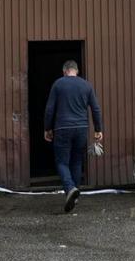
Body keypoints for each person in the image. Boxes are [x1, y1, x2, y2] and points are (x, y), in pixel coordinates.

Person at [43, 60, 103, 213]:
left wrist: (47, 128)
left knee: (62, 162)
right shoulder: (86, 85)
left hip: (63, 127)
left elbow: (50, 109)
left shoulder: (58, 84)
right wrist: (98, 129)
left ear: (64, 71)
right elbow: (95, 109)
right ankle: (74, 196)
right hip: (82, 128)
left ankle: (70, 188)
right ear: (77, 71)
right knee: (76, 162)